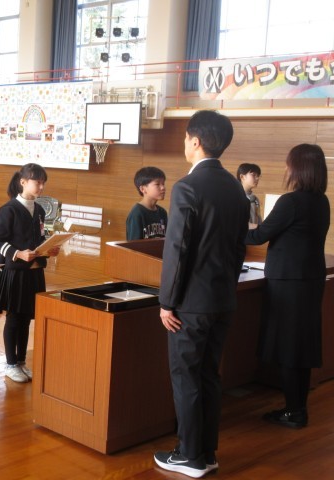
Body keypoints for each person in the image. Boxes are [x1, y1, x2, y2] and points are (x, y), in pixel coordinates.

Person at [155, 110, 249, 478]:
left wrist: (167, 301)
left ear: (195, 141)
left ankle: (189, 455)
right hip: (223, 300)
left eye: (185, 138)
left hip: (189, 305)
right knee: (209, 375)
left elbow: (177, 251)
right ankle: (207, 452)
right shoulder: (236, 189)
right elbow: (239, 248)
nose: (184, 144)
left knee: (186, 377)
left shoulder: (188, 187)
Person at [244, 144, 330, 429]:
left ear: (299, 168)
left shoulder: (291, 202)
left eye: (289, 164)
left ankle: (294, 412)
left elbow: (258, 237)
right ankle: (297, 408)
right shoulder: (321, 201)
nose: (286, 168)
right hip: (310, 280)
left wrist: (227, 227)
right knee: (301, 346)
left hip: (289, 282)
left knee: (289, 347)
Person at [0, 163, 61, 383]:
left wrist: (49, 249)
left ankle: (20, 362)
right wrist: (18, 254)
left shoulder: (39, 210)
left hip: (34, 273)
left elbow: (39, 238)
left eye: (43, 182)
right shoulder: (7, 210)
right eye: (37, 182)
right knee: (14, 319)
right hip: (16, 273)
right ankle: (10, 364)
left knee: (26, 319)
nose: (41, 186)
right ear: (23, 182)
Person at [125, 166, 168, 240]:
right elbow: (133, 245)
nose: (163, 188)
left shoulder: (162, 212)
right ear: (143, 189)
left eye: (163, 184)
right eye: (157, 184)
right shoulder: (137, 214)